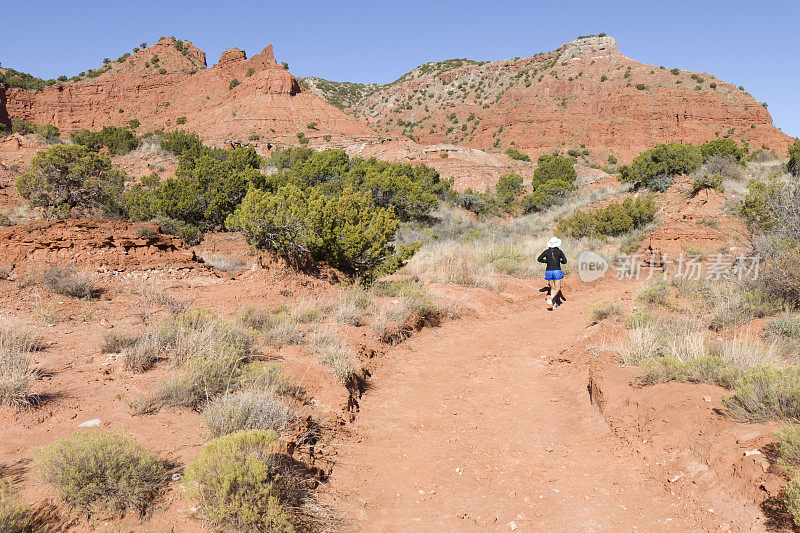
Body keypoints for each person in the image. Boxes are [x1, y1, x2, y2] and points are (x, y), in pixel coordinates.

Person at [538, 237, 567, 309]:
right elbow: (565, 261)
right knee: (557, 288)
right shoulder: (559, 251)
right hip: (557, 271)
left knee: (552, 288)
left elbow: (539, 259)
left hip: (548, 272)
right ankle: (550, 298)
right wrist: (560, 261)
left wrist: (547, 261)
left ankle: (553, 304)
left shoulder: (546, 252)